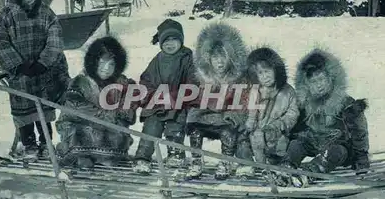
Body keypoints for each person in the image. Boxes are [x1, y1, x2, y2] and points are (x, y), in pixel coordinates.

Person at [0, 0, 70, 160]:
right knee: (23, 110)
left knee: (43, 108)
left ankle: (46, 143)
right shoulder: (6, 15)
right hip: (20, 74)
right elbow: (0, 42)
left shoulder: (47, 14)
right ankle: (29, 145)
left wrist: (43, 62)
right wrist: (17, 65)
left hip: (43, 72)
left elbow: (55, 40)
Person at [274, 48, 370, 187]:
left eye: (321, 79)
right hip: (313, 142)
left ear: (331, 78)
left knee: (336, 151)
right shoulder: (305, 105)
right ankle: (285, 168)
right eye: (313, 82)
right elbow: (295, 128)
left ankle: (310, 172)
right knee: (297, 144)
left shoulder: (345, 103)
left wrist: (361, 159)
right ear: (306, 85)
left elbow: (359, 131)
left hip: (338, 145)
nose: (318, 85)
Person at [55, 37, 137, 169]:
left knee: (118, 136)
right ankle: (82, 156)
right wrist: (107, 115)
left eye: (111, 64)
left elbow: (128, 112)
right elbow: (78, 109)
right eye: (102, 63)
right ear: (94, 62)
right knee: (84, 133)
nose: (106, 68)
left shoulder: (120, 83)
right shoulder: (80, 82)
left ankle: (101, 157)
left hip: (108, 126)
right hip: (78, 123)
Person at [185, 22, 249, 180]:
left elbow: (243, 102)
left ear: (231, 58)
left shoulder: (238, 78)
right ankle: (196, 160)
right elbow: (192, 100)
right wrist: (195, 114)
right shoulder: (200, 78)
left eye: (223, 57)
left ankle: (225, 161)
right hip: (206, 118)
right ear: (208, 58)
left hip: (225, 120)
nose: (219, 62)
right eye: (215, 57)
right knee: (195, 131)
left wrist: (234, 116)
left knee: (228, 132)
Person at [133, 19, 197, 174]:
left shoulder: (187, 58)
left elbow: (193, 80)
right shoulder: (157, 60)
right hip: (158, 102)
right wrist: (151, 94)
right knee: (151, 127)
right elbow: (146, 80)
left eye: (174, 39)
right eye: (166, 40)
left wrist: (180, 95)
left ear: (181, 40)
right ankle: (143, 157)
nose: (170, 44)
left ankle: (175, 154)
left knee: (175, 125)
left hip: (178, 102)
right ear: (160, 43)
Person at [236, 47, 299, 177]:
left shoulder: (288, 92)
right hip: (255, 133)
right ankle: (247, 164)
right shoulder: (254, 91)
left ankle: (274, 165)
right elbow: (247, 110)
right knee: (240, 139)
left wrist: (279, 125)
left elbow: (292, 114)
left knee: (280, 145)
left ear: (276, 70)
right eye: (260, 73)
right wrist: (249, 122)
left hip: (276, 133)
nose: (265, 76)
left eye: (267, 71)